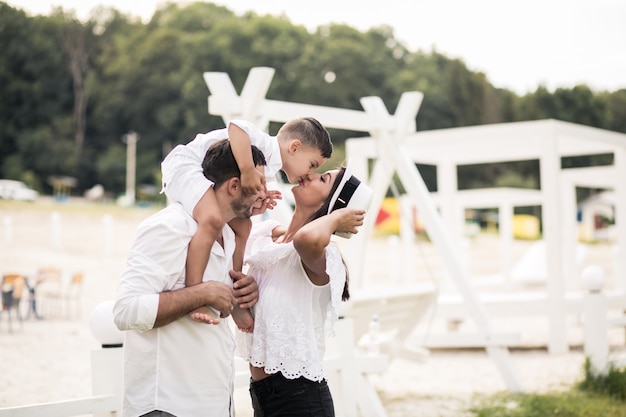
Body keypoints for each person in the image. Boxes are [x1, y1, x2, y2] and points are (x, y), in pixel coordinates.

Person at [113, 139, 269, 417]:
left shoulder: (231, 236)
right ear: (234, 186)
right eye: (259, 184)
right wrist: (202, 293)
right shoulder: (170, 227)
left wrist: (241, 294)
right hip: (167, 406)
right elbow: (126, 310)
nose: (264, 193)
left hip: (212, 405)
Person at [161, 118, 333, 328]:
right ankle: (195, 294)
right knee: (211, 219)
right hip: (185, 166)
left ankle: (235, 291)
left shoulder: (270, 169)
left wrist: (257, 197)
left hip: (209, 176)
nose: (309, 173)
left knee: (244, 227)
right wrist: (246, 169)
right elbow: (236, 127)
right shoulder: (264, 144)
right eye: (312, 164)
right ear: (294, 147)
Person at [239, 162, 373, 417]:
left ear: (334, 205)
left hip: (300, 399)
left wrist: (332, 220)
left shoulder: (324, 256)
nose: (309, 175)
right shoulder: (266, 237)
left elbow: (305, 239)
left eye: (322, 179)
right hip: (262, 396)